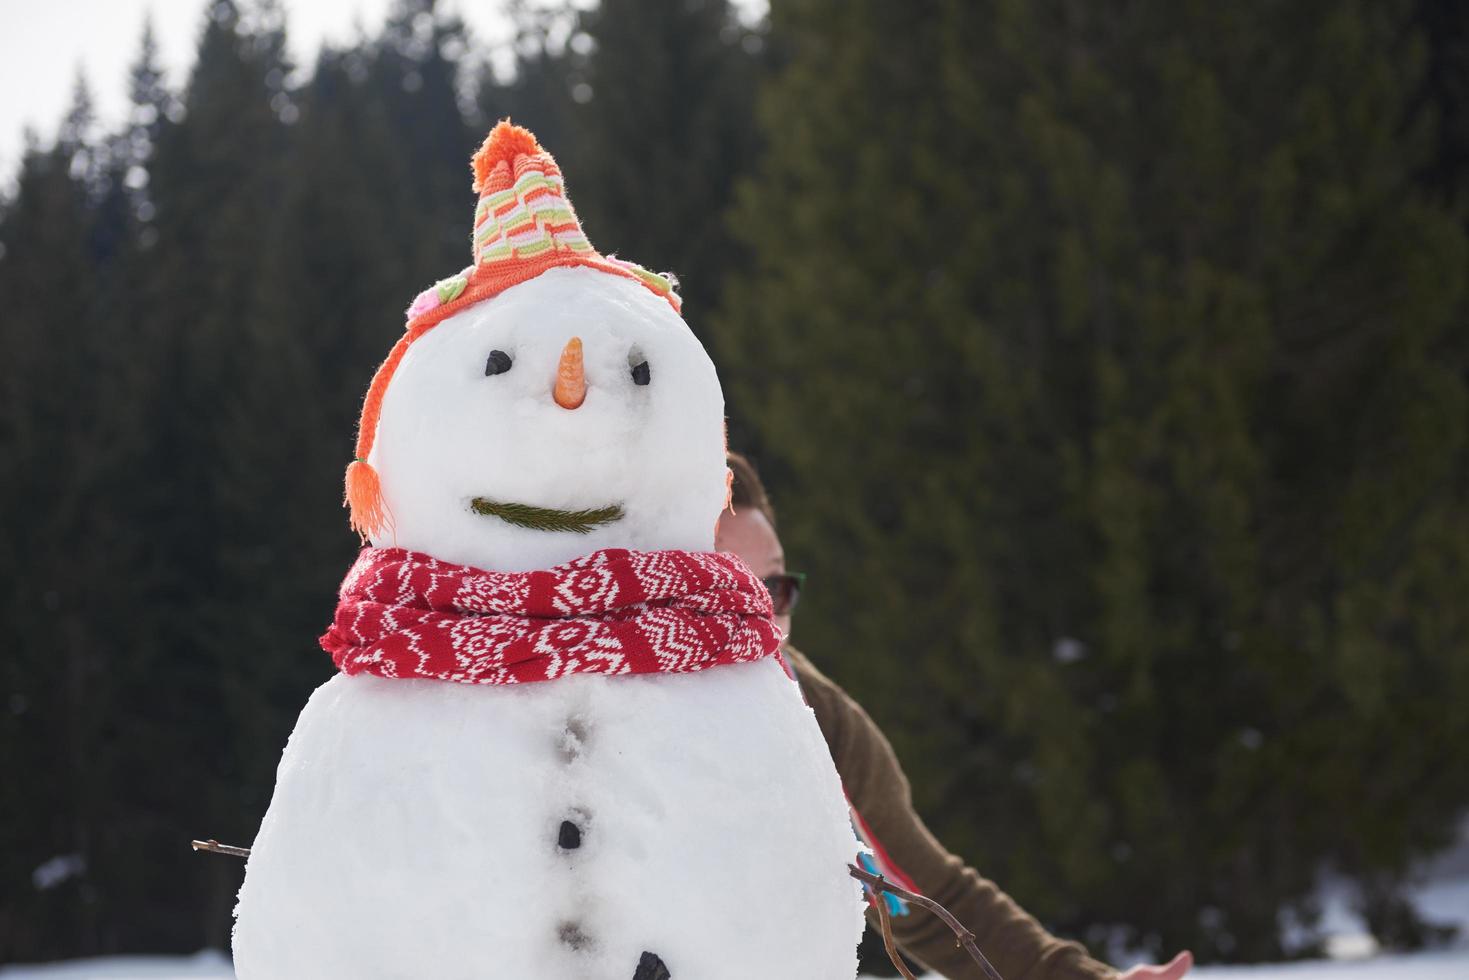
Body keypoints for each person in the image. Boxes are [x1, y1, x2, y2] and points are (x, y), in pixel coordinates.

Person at [715, 452, 1194, 980]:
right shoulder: (611, 700)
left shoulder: (817, 720)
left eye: (776, 590)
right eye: (733, 590)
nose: (769, 622)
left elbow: (924, 894)